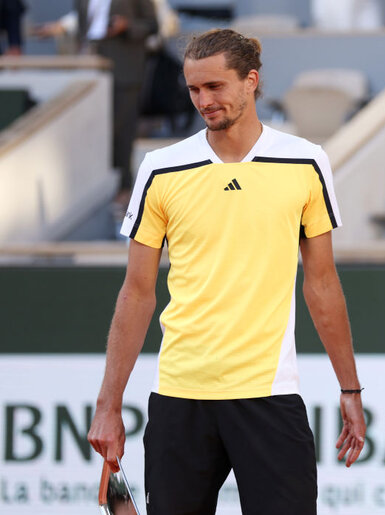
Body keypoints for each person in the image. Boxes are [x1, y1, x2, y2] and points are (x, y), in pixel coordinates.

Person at [87, 28, 366, 514]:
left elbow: (321, 284)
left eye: (215, 86)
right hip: (179, 397)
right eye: (194, 89)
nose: (203, 100)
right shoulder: (160, 167)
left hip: (270, 397)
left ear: (251, 81)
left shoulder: (306, 161)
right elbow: (136, 293)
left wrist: (350, 388)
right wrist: (108, 405)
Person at [36, 0, 158, 203]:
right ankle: (95, 186)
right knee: (91, 129)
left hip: (125, 67)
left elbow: (153, 25)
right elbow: (86, 23)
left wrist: (126, 26)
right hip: (91, 65)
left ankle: (123, 188)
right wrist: (62, 28)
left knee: (121, 129)